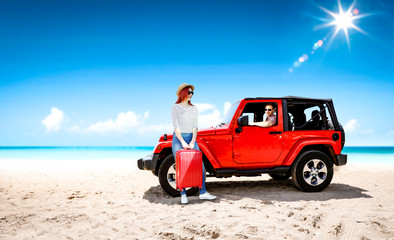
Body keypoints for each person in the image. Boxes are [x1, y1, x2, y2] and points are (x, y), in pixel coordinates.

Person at [171, 83, 217, 204]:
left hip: (192, 138)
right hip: (178, 138)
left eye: (192, 93)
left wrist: (192, 141)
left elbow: (195, 126)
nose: (191, 94)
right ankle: (183, 194)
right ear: (183, 93)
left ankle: (203, 192)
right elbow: (176, 127)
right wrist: (182, 142)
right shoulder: (175, 107)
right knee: (181, 167)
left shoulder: (194, 108)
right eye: (189, 92)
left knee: (199, 166)